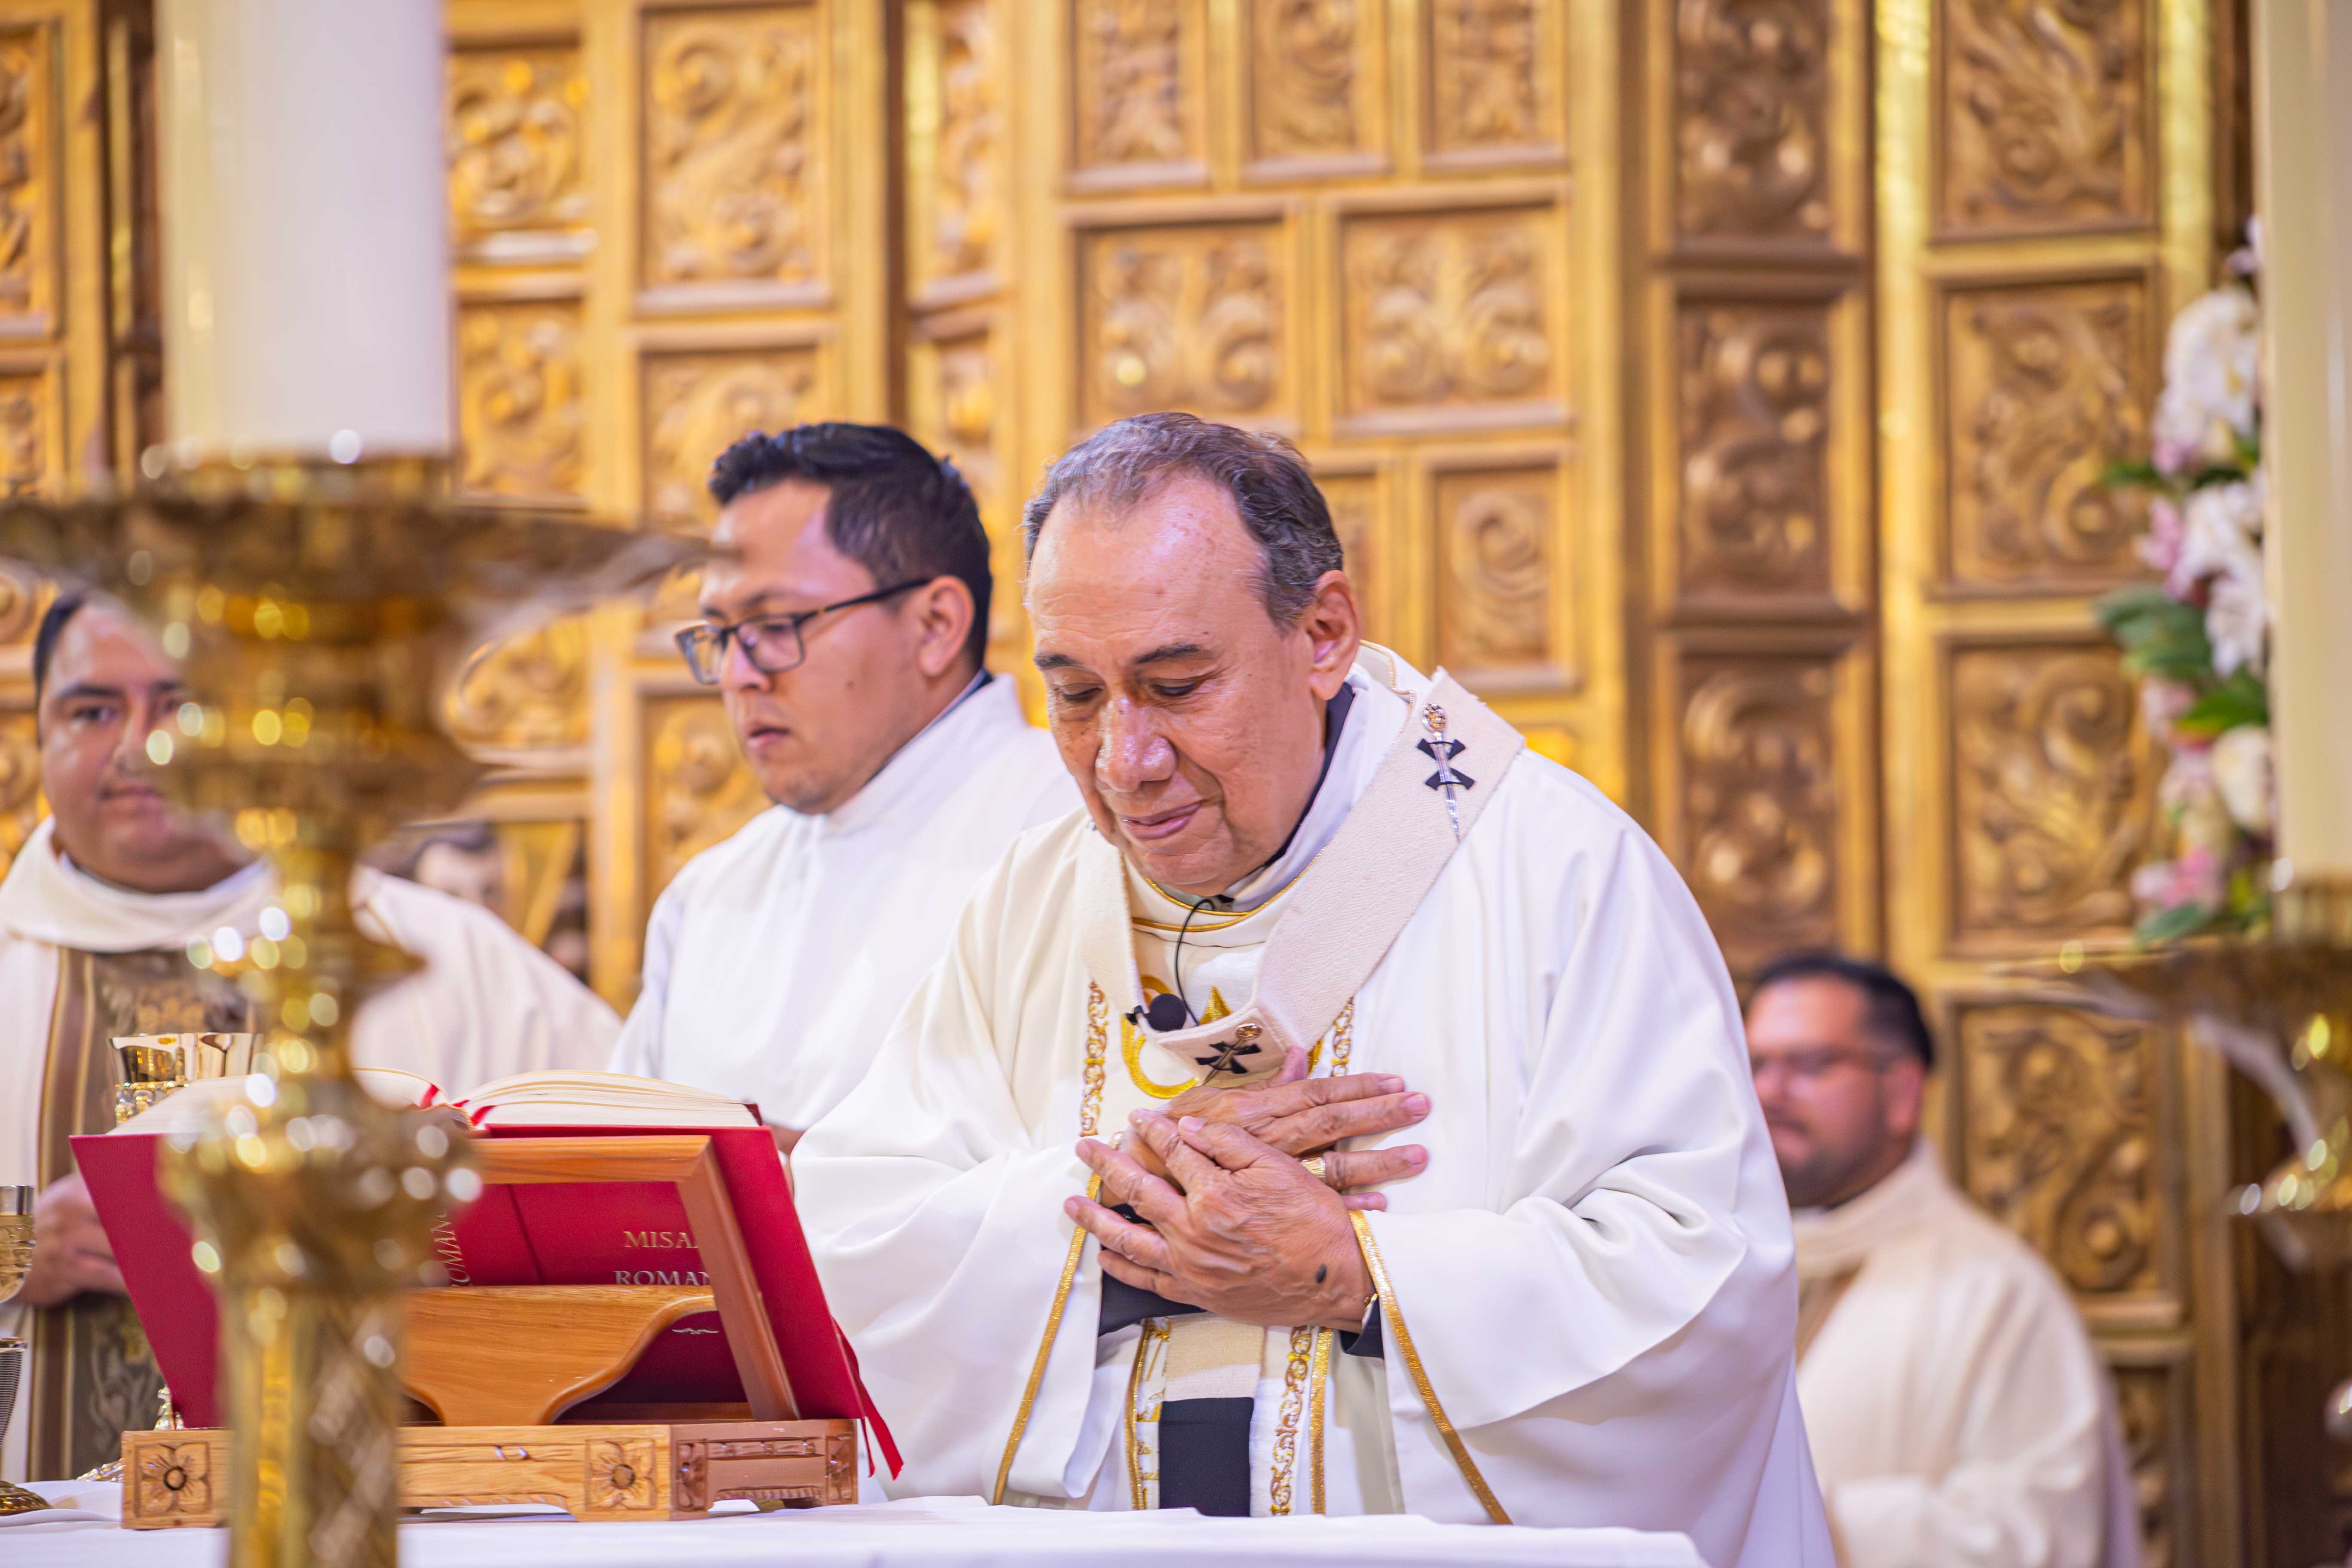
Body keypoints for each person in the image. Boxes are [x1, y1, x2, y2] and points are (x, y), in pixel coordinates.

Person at [795, 413, 1831, 1561]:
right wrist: (1126, 1225)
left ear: (1323, 633)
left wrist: (1355, 1274)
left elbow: (1706, 1279)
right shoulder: (1036, 901)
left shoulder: (1553, 871)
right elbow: (855, 1244)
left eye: (1178, 685)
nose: (1123, 761)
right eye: (1077, 694)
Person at [0, 593, 620, 1480]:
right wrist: (14, 1246)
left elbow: (628, 1201)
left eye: (186, 706)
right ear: (38, 736)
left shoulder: (440, 956)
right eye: (94, 710)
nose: (141, 745)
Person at [609, 423, 1073, 1151]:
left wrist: (801, 1180)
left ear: (935, 625)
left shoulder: (1077, 837)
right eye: (721, 635)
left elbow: (1103, 1188)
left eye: (775, 623)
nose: (739, 673)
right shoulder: (710, 895)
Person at [1745, 951, 2139, 1568]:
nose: (1768, 1093)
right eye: (1755, 1066)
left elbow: (2037, 1536)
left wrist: (1806, 1522)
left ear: (1902, 1093)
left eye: (1811, 1065)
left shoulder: (1997, 1293)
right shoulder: (1715, 1275)